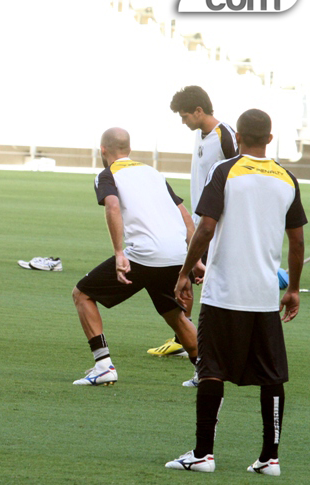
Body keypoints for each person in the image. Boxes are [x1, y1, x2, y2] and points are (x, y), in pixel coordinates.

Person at [166, 109, 305, 475]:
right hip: (264, 296)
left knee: (211, 369)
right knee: (272, 375)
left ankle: (203, 454)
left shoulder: (225, 171)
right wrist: (292, 288)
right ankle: (270, 458)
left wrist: (184, 271)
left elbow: (205, 228)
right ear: (270, 139)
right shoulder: (287, 178)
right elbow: (297, 241)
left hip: (224, 292)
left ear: (238, 136)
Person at [71, 128, 199, 386]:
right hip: (176, 254)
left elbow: (112, 206)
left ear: (102, 150)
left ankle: (103, 366)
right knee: (174, 315)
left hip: (145, 255)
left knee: (82, 294)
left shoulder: (107, 175)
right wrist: (194, 259)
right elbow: (185, 215)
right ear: (129, 149)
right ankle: (206, 372)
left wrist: (119, 253)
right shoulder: (153, 173)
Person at [148, 86, 237, 357]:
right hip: (200, 223)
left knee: (213, 281)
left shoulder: (226, 135)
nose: (183, 122)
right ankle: (184, 338)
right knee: (188, 275)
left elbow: (240, 175)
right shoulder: (200, 134)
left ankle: (216, 343)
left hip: (220, 224)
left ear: (199, 111)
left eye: (184, 116)